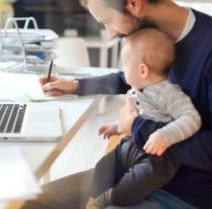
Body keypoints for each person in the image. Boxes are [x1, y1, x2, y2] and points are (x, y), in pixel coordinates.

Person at [22, 0, 212, 208]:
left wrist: (136, 125)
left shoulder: (207, 47)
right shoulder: (156, 37)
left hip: (182, 193)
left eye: (107, 21)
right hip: (135, 166)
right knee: (33, 202)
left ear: (133, 2)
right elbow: (129, 78)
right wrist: (78, 85)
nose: (110, 33)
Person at [86, 28, 201, 208]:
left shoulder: (168, 93)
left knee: (132, 186)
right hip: (133, 145)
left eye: (124, 66)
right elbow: (137, 117)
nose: (123, 71)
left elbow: (192, 118)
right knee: (103, 167)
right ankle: (95, 198)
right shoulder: (137, 89)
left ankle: (113, 198)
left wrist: (165, 135)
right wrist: (117, 127)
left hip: (159, 159)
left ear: (142, 70)